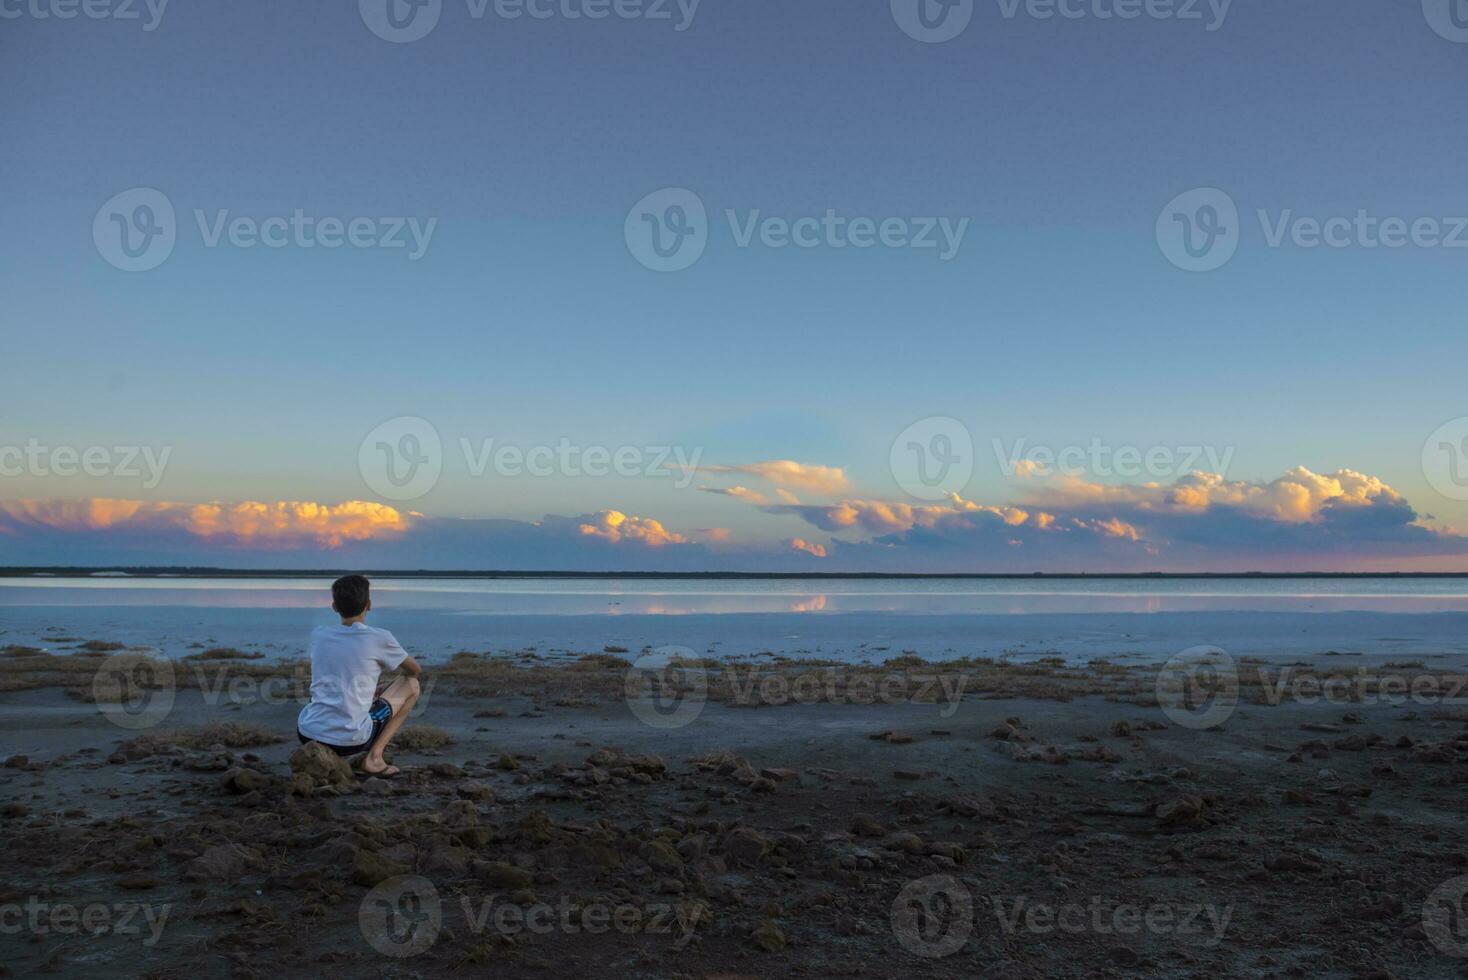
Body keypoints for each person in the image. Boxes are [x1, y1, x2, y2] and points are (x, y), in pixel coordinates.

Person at [296, 574, 422, 777]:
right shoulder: (379, 637)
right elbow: (415, 670)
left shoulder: (319, 634)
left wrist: (375, 686)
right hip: (352, 740)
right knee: (412, 685)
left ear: (334, 606)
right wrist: (389, 683)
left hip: (307, 733)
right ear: (368, 605)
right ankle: (375, 758)